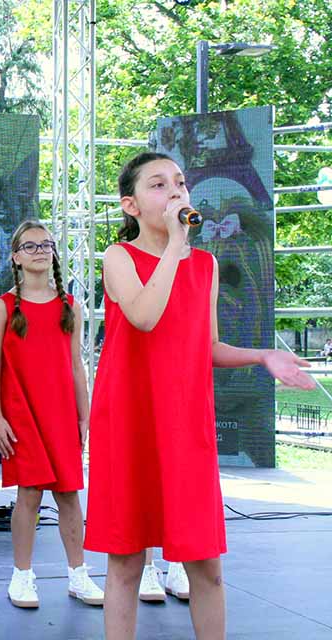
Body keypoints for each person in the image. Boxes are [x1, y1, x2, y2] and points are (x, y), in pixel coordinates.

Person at [84, 152, 315, 640]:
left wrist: (263, 356)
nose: (175, 191)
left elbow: (206, 346)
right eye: (158, 184)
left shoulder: (205, 266)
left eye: (180, 182)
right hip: (129, 424)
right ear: (131, 205)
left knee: (205, 565)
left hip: (185, 426)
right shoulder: (118, 257)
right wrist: (175, 246)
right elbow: (144, 316)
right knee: (125, 561)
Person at [0, 220, 104, 610]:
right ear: (16, 257)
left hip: (61, 413)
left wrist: (84, 416)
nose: (39, 251)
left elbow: (76, 366)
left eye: (45, 245)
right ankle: (22, 575)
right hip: (21, 415)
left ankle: (78, 574)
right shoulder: (3, 307)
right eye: (30, 246)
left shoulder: (70, 305)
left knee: (69, 494)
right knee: (29, 493)